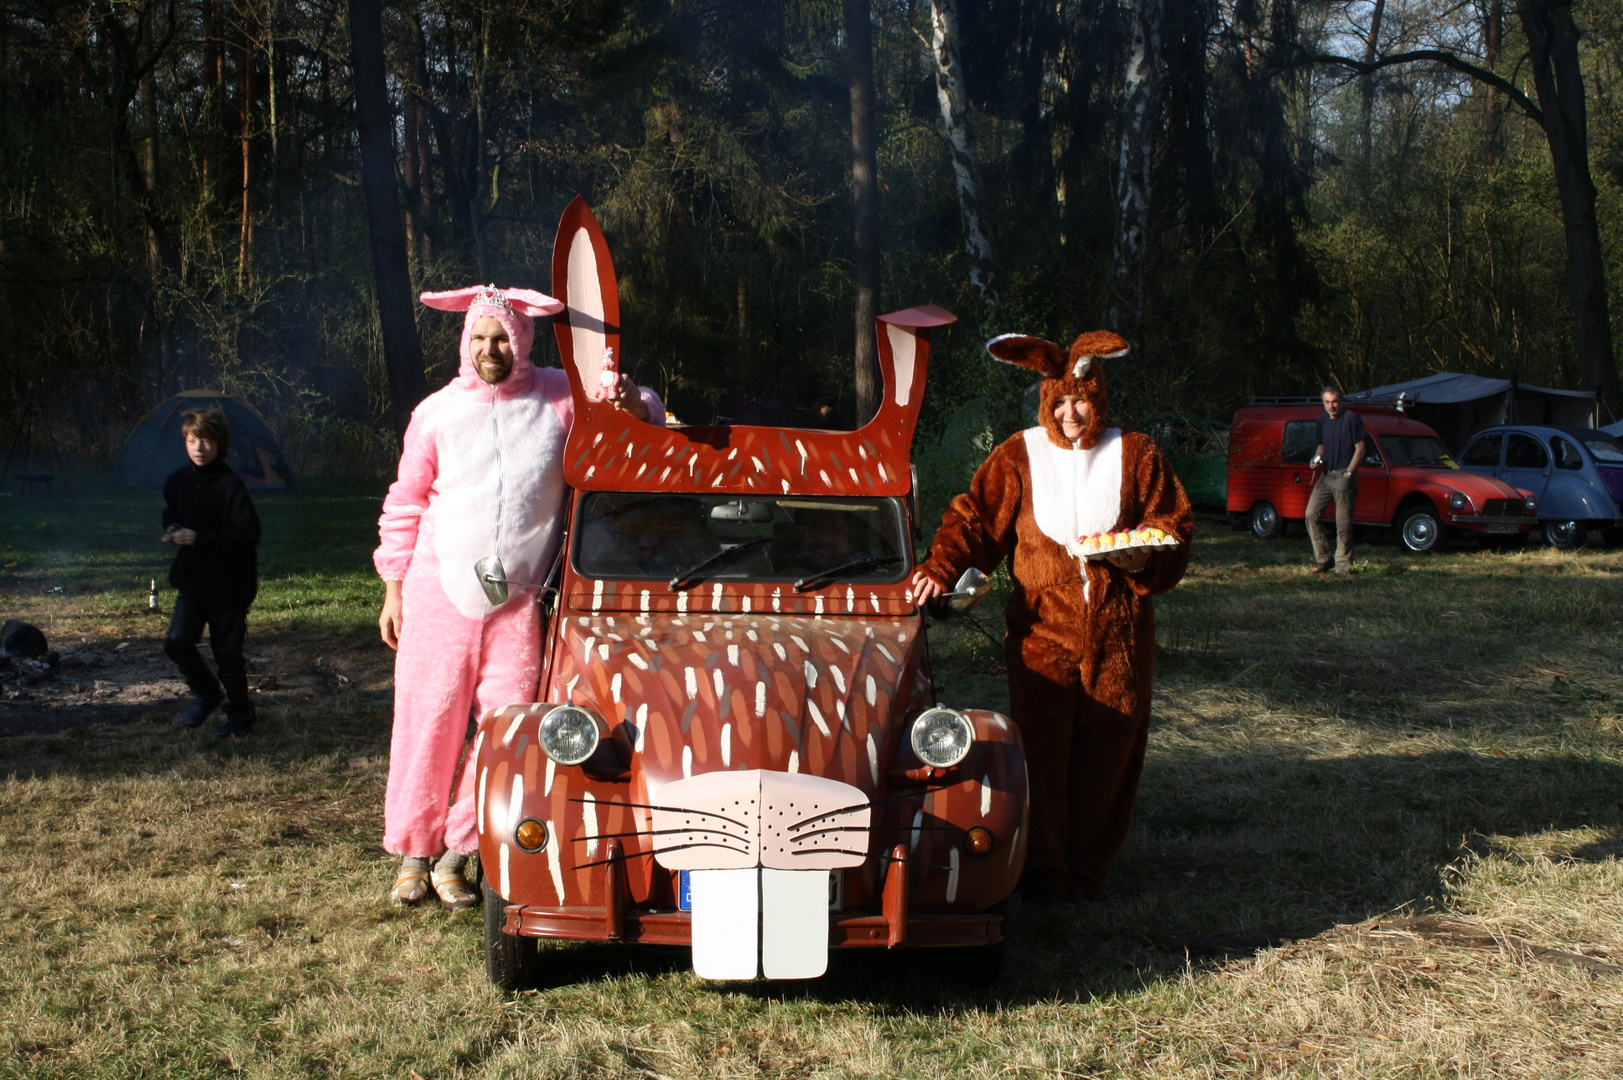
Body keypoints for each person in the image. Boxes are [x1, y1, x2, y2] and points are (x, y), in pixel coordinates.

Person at [374, 284, 664, 910]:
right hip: (438, 593)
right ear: (463, 342)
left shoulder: (559, 398)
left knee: (507, 729)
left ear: (523, 338)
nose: (490, 348)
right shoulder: (436, 413)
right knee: (428, 723)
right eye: (478, 337)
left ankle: (458, 850)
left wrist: (630, 396)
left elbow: (640, 419)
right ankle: (413, 854)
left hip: (518, 603)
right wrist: (393, 588)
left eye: (501, 336)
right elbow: (404, 503)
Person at [911, 331, 1192, 903]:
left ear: (1099, 397)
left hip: (1121, 635)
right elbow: (975, 521)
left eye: (1081, 399)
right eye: (1059, 401)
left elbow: (1174, 527)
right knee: (1040, 752)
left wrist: (1145, 558)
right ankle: (1040, 873)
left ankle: (1087, 872)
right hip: (1043, 634)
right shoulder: (1018, 455)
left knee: (1109, 750)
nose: (1069, 413)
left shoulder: (1136, 453)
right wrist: (940, 568)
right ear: (1044, 400)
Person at [160, 408, 262, 739]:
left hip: (230, 583)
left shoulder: (230, 485)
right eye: (193, 440)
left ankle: (240, 718)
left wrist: (201, 539)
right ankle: (207, 692)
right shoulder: (176, 481)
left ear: (219, 444)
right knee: (177, 640)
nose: (199, 447)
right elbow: (171, 512)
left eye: (206, 441)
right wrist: (172, 529)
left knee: (228, 656)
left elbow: (248, 535)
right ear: (185, 442)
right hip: (193, 579)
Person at [1306, 385, 1366, 576]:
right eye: (1327, 402)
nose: (1331, 406)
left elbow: (1361, 448)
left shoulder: (1351, 418)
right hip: (1326, 474)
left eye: (1335, 401)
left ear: (1341, 401)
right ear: (1323, 402)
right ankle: (1324, 559)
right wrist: (1315, 461)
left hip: (1343, 476)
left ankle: (1343, 566)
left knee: (1343, 523)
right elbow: (1321, 448)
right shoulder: (1322, 420)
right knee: (1310, 514)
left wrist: (1349, 472)